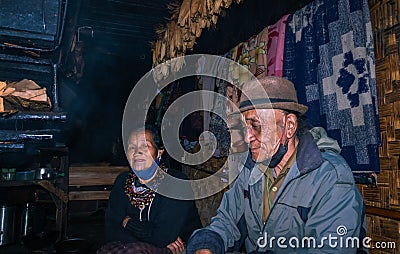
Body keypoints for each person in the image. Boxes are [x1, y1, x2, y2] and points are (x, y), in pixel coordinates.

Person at [186, 76, 367, 253]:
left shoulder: (330, 178)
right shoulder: (250, 171)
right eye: (244, 128)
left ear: (289, 126)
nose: (248, 138)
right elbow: (227, 221)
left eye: (256, 126)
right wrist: (207, 244)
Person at [99, 124, 202, 254]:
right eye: (132, 147)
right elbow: (111, 231)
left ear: (159, 152)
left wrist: (128, 222)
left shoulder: (176, 183)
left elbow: (162, 236)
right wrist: (150, 235)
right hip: (130, 248)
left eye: (145, 145)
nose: (137, 152)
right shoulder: (123, 182)